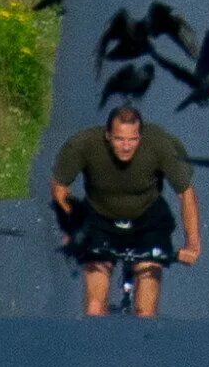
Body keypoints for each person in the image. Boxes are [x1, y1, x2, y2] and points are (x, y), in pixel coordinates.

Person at [50, 105, 201, 317]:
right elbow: (59, 189)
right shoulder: (84, 144)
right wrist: (73, 227)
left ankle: (143, 343)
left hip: (148, 222)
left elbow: (186, 193)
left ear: (141, 136)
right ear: (108, 135)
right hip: (99, 219)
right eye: (120, 139)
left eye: (133, 140)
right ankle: (95, 347)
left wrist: (192, 244)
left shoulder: (160, 144)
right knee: (95, 307)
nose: (127, 146)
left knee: (145, 309)